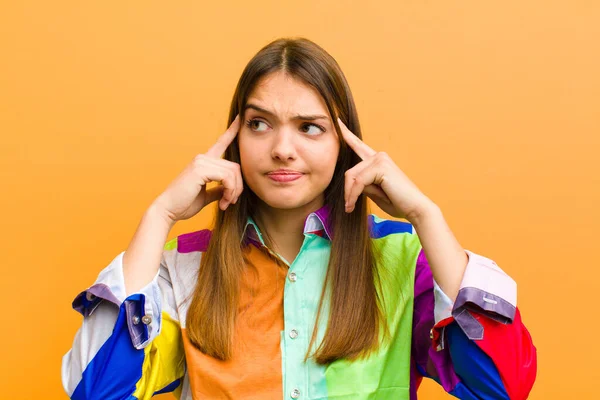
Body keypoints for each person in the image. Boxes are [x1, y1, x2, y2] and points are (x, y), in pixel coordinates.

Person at [61, 37, 537, 400]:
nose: (282, 149)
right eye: (259, 124)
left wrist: (425, 215)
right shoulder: (183, 269)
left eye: (310, 127)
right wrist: (159, 215)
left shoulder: (403, 258)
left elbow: (503, 385)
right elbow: (98, 392)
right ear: (234, 141)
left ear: (344, 145)